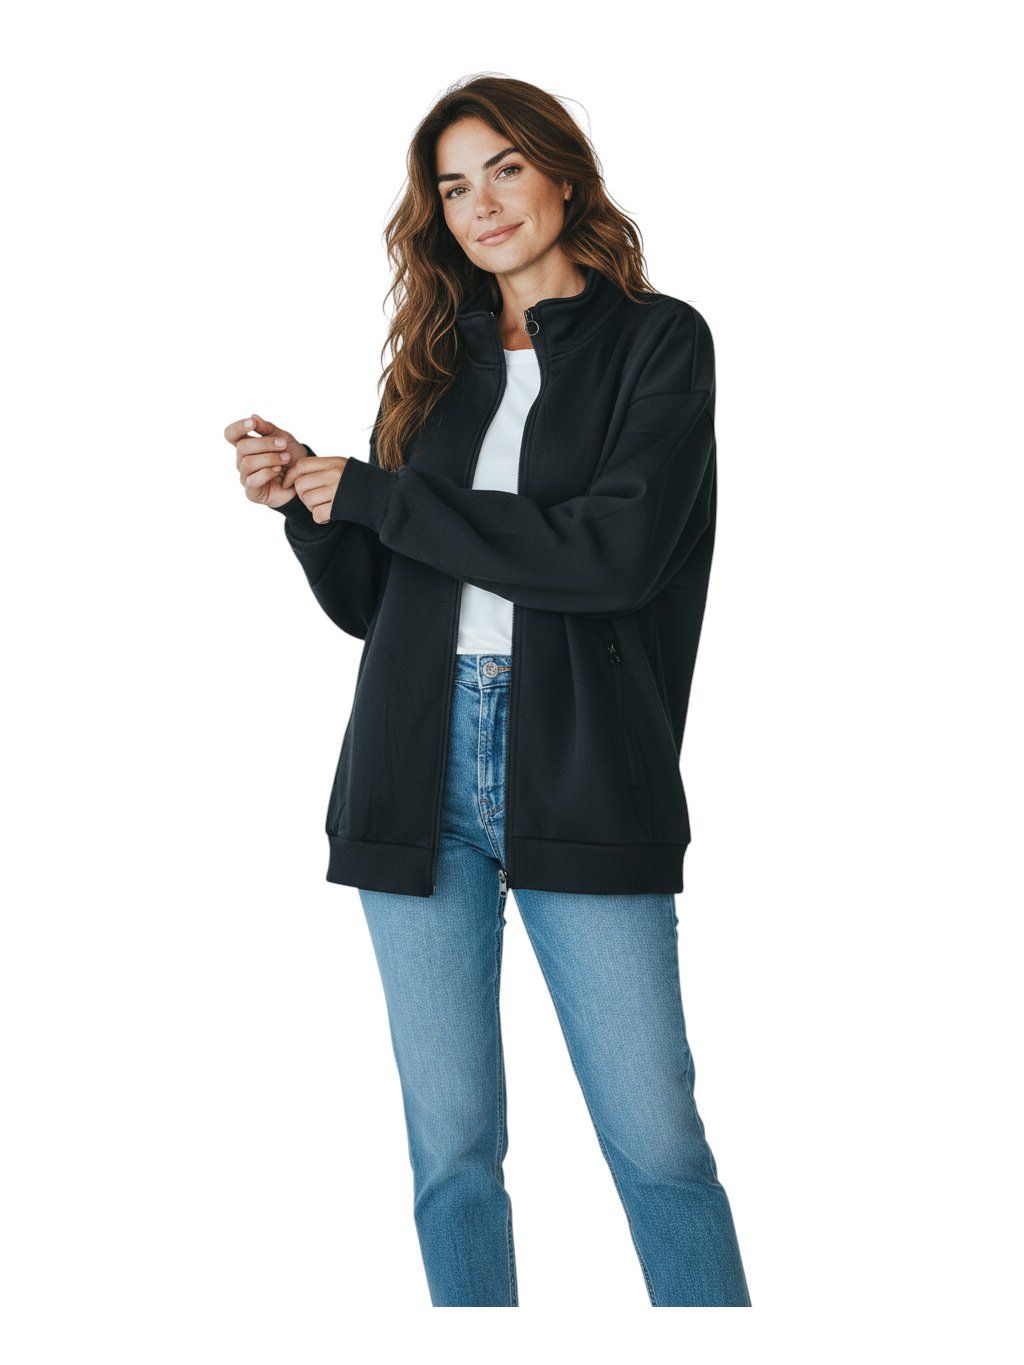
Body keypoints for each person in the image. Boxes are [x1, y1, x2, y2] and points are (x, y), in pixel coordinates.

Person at [225, 74, 750, 1308]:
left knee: (657, 1145)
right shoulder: (432, 365)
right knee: (452, 1156)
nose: (482, 205)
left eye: (504, 168)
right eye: (454, 188)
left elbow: (611, 558)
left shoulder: (659, 342)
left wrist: (383, 496)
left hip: (584, 764)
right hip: (412, 769)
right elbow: (380, 603)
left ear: (563, 174)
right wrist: (310, 506)